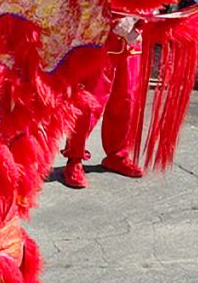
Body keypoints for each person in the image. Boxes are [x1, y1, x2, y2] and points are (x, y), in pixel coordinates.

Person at [61, 33, 144, 188]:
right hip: (102, 34)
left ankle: (117, 156)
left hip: (133, 35)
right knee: (90, 100)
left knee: (127, 95)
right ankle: (74, 158)